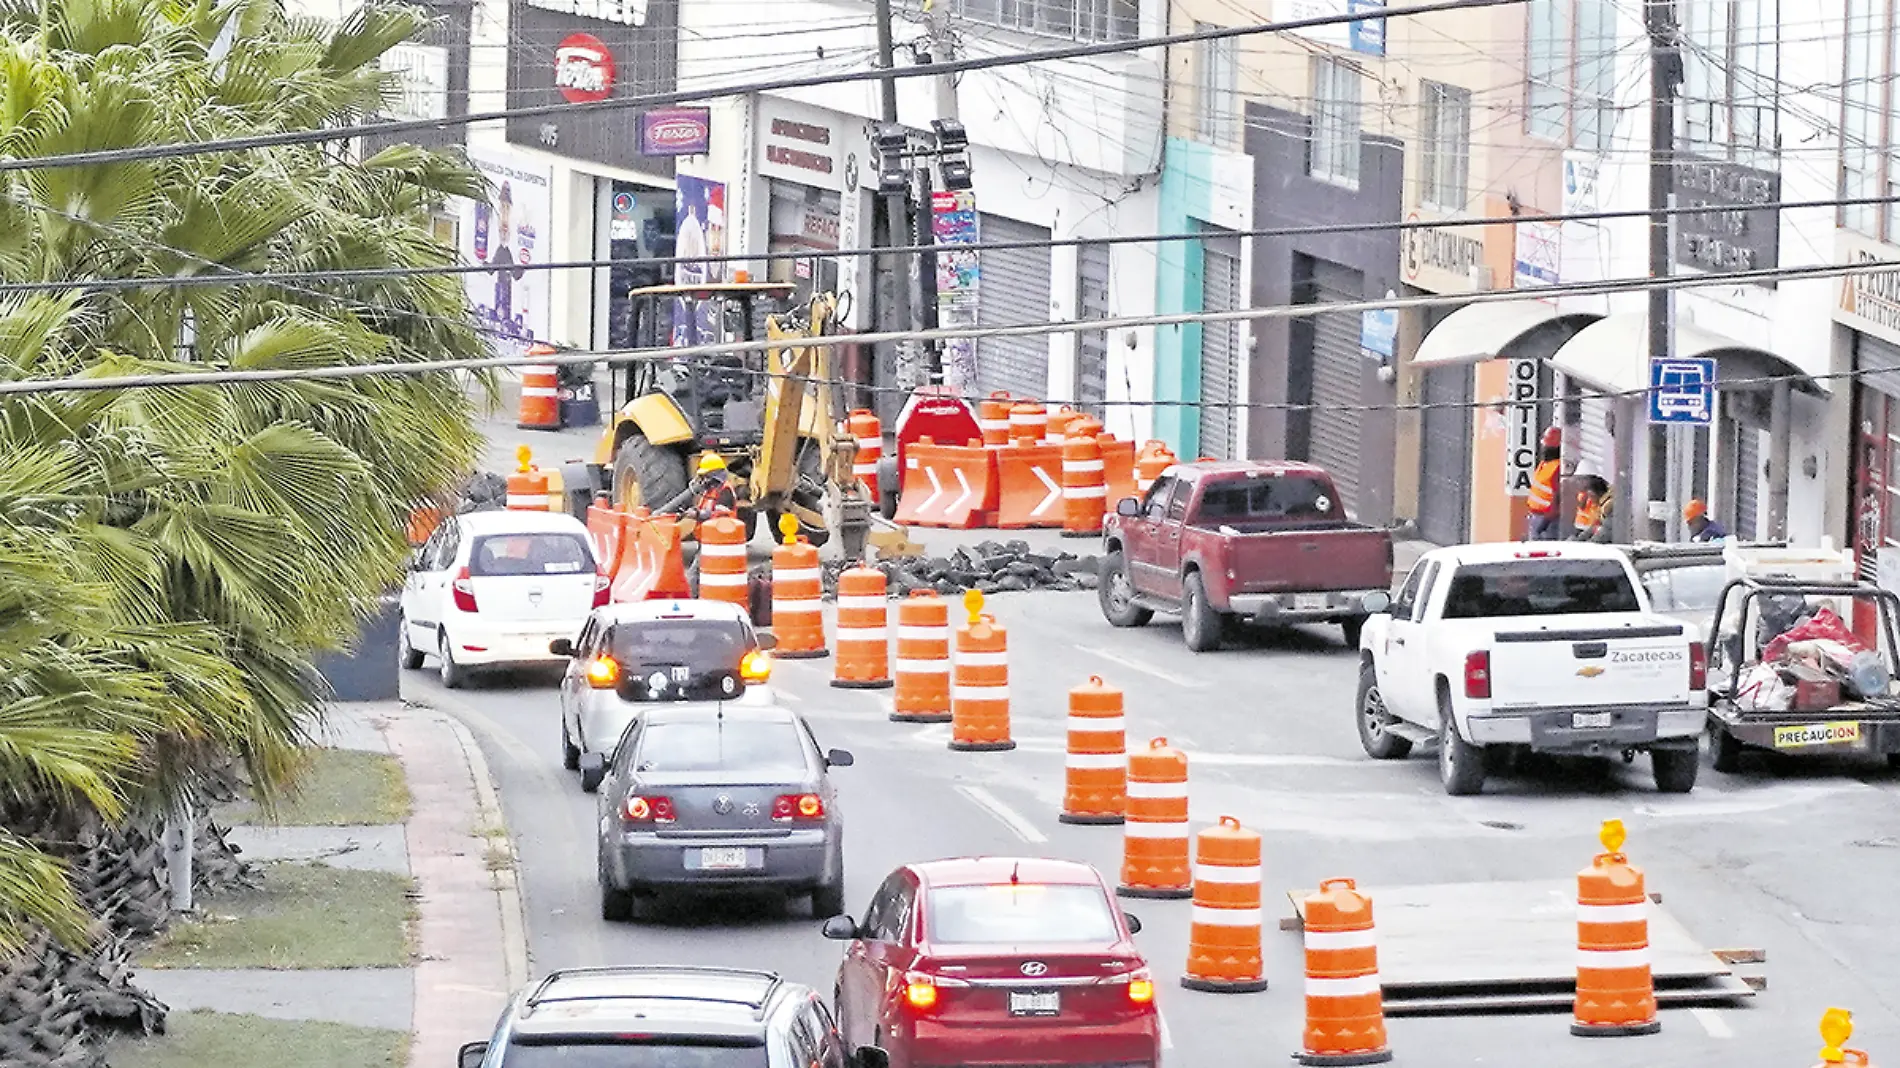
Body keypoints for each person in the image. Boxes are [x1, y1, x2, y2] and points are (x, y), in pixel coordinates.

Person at [660, 453, 738, 522]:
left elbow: (720, 516)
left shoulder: (725, 490)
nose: (703, 479)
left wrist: (697, 514)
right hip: (707, 534)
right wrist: (689, 512)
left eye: (705, 476)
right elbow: (704, 509)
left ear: (714, 475)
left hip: (722, 535)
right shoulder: (709, 490)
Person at [1527, 429, 1562, 540]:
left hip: (1547, 521)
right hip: (1536, 516)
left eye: (1547, 447)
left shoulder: (1557, 468)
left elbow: (1557, 499)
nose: (1543, 449)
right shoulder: (1544, 464)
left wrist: (1544, 524)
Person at [1573, 473, 1613, 543]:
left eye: (1590, 496)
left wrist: (1587, 544)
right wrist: (1578, 539)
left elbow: (1605, 532)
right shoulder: (1603, 505)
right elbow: (1594, 528)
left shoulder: (1610, 508)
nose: (1590, 499)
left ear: (1595, 494)